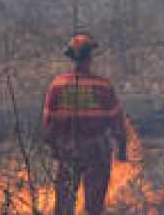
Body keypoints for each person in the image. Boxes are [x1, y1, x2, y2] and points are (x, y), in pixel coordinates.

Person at [43, 34, 127, 215]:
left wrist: (54, 148)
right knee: (94, 206)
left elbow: (48, 125)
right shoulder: (102, 86)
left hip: (67, 150)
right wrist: (122, 149)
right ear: (90, 57)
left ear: (71, 57)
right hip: (96, 152)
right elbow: (117, 122)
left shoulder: (58, 85)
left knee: (64, 204)